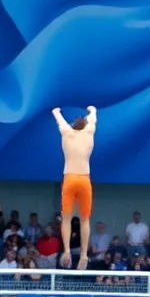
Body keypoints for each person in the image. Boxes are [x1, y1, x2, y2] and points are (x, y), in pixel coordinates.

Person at [52, 105, 97, 270]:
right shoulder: (89, 133)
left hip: (70, 178)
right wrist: (92, 110)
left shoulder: (67, 133)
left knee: (66, 218)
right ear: (85, 125)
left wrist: (57, 112)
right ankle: (84, 254)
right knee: (84, 220)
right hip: (84, 179)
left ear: (73, 126)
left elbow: (58, 118)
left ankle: (67, 250)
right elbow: (93, 118)